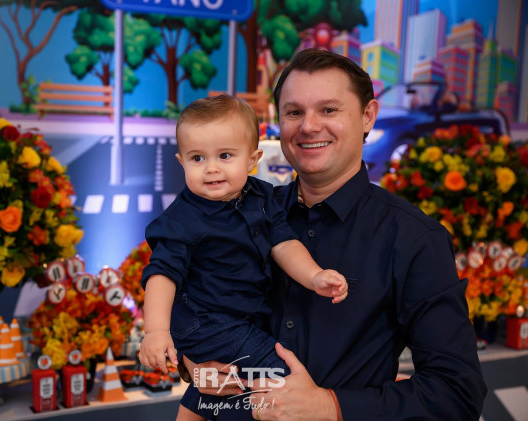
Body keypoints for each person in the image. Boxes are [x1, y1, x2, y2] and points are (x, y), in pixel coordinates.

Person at [182, 48, 487, 421]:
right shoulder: (241, 215)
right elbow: (194, 305)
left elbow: (457, 392)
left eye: (328, 110)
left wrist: (331, 406)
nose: (309, 127)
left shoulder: (413, 238)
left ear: (367, 116)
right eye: (294, 112)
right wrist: (190, 363)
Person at [139, 94, 348, 421]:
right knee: (279, 375)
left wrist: (314, 275)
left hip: (238, 318)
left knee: (221, 379)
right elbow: (162, 274)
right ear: (181, 161)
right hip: (207, 320)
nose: (211, 168)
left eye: (225, 155)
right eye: (197, 158)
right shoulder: (182, 219)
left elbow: (284, 244)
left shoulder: (262, 196)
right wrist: (155, 331)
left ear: (253, 158)